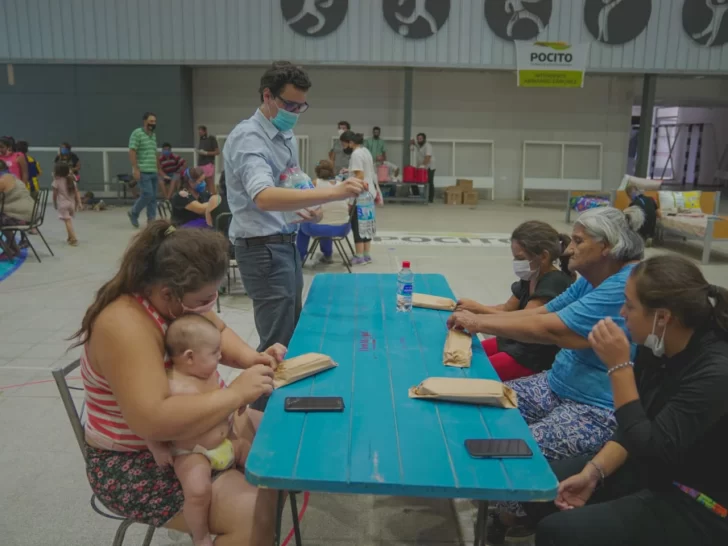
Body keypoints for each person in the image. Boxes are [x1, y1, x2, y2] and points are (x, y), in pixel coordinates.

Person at [71, 221, 283, 545]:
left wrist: (253, 359)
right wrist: (237, 393)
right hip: (140, 459)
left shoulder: (177, 303)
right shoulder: (124, 325)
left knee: (283, 436)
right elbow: (153, 420)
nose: (209, 306)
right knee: (254, 514)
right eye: (204, 300)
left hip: (188, 433)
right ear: (169, 294)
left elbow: (219, 334)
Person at [448, 207, 645, 544]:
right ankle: (499, 503)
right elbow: (541, 311)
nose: (568, 248)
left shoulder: (621, 286)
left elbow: (548, 327)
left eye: (579, 241)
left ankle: (511, 517)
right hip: (555, 385)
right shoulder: (589, 281)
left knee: (511, 451)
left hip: (593, 408)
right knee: (479, 410)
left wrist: (478, 322)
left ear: (606, 247)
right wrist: (477, 314)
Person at [524, 255, 728, 546]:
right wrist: (594, 473)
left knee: (559, 532)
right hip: (658, 470)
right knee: (540, 487)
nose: (622, 312)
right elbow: (633, 425)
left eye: (630, 306)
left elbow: (653, 451)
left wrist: (619, 368)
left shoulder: (715, 371)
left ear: (662, 317)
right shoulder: (655, 346)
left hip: (701, 499)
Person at [223, 61, 365, 397]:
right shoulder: (249, 138)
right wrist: (333, 192)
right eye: (290, 105)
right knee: (275, 345)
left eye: (302, 106)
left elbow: (289, 182)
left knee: (289, 333)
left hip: (283, 243)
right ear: (267, 96)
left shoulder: (283, 134)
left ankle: (275, 411)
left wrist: (302, 208)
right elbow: (264, 196)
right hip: (262, 250)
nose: (296, 112)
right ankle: (257, 422)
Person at [147, 314, 257, 546]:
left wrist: (239, 401)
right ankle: (200, 535)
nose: (221, 355)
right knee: (197, 491)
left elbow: (226, 398)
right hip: (194, 453)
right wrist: (156, 446)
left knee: (255, 454)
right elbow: (151, 421)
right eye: (215, 352)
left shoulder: (208, 373)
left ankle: (265, 495)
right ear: (190, 357)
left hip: (227, 442)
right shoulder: (172, 384)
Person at [457, 221, 574, 381]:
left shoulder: (554, 281)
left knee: (472, 373)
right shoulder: (530, 276)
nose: (517, 264)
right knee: (461, 354)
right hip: (513, 343)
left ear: (544, 256)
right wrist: (473, 310)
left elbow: (524, 320)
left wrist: (478, 317)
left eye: (520, 258)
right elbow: (506, 310)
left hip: (531, 356)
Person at [295, 159, 352, 265]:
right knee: (326, 221)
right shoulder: (341, 185)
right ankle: (327, 254)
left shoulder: (314, 183)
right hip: (343, 227)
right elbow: (348, 207)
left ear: (317, 171)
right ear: (332, 171)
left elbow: (306, 205)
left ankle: (300, 258)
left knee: (304, 224)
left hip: (319, 228)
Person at [341, 131, 382, 265]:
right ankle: (366, 254)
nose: (343, 147)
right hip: (369, 193)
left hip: (360, 194)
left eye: (344, 144)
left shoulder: (356, 154)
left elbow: (359, 175)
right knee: (367, 224)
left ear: (350, 143)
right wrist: (349, 172)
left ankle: (359, 256)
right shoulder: (365, 151)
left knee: (357, 225)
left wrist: (346, 184)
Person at [127, 112, 163, 228]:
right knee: (148, 194)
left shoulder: (153, 135)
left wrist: (159, 168)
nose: (153, 124)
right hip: (143, 170)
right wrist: (135, 169)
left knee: (153, 197)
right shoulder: (137, 133)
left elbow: (155, 153)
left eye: (154, 122)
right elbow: (132, 151)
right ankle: (134, 212)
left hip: (153, 170)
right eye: (151, 121)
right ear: (145, 121)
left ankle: (151, 221)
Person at [0, 159, 34, 259]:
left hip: (22, 216)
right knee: (3, 220)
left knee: (2, 220)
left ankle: (9, 250)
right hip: (30, 213)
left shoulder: (2, 180)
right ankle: (13, 249)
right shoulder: (12, 176)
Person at [51, 162, 81, 246]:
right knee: (67, 220)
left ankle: (74, 238)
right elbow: (76, 192)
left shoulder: (56, 181)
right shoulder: (71, 180)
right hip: (71, 204)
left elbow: (54, 194)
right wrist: (79, 203)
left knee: (67, 221)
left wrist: (54, 203)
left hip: (63, 204)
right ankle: (69, 237)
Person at [625, 180, 660, 244]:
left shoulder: (633, 204)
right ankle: (649, 236)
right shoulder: (651, 199)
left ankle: (640, 238)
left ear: (629, 195)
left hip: (640, 229)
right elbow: (659, 214)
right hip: (652, 228)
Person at [411, 132, 435, 203]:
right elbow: (416, 145)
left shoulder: (428, 146)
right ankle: (417, 196)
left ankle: (430, 199)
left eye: (420, 139)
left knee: (429, 182)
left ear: (424, 139)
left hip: (429, 167)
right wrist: (413, 142)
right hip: (422, 167)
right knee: (415, 180)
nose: (419, 140)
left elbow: (428, 157)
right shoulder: (420, 145)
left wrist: (422, 165)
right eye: (418, 139)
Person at [197, 125, 220, 195]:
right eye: (199, 132)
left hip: (208, 164)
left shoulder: (211, 139)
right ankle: (207, 199)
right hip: (201, 164)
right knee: (203, 184)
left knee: (209, 182)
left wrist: (206, 153)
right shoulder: (201, 140)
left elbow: (217, 152)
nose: (199, 133)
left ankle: (214, 200)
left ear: (205, 131)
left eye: (201, 131)